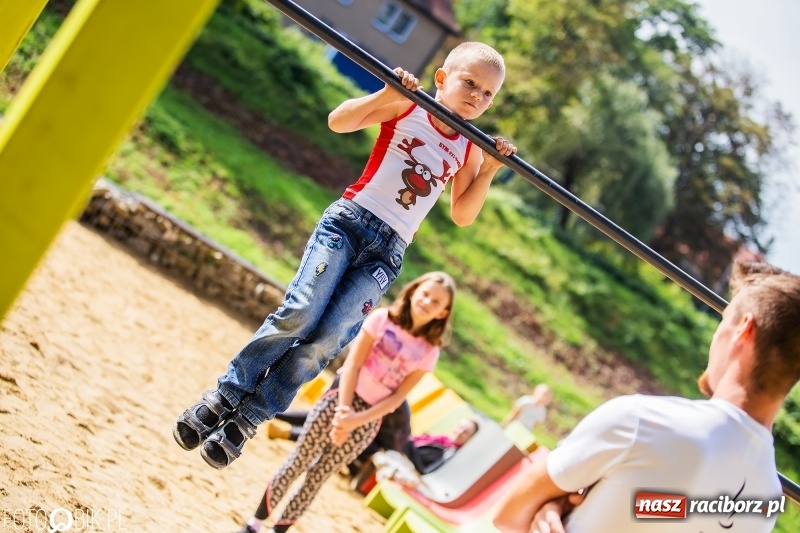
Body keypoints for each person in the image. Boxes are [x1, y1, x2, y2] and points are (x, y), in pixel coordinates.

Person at [172, 41, 516, 469]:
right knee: (300, 312)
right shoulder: (410, 106)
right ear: (442, 79)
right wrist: (387, 94)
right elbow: (339, 121)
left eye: (488, 94)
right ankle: (225, 396)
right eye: (470, 83)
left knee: (327, 339)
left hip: (388, 253)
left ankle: (249, 417)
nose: (477, 97)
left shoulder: (469, 146)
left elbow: (463, 214)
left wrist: (487, 171)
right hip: (350, 223)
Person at [493, 261, 800, 533]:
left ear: (743, 330)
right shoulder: (767, 502)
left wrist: (556, 505)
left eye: (725, 319)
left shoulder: (641, 420)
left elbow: (507, 516)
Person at [233, 271, 456, 533]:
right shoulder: (382, 319)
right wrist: (343, 413)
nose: (427, 301)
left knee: (317, 478)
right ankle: (254, 525)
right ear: (414, 291)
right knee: (298, 461)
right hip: (339, 400)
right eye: (426, 293)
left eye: (436, 302)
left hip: (367, 422)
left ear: (442, 313)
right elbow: (352, 366)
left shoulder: (429, 352)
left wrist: (354, 422)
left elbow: (397, 399)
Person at [402, 417, 479, 475]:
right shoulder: (440, 439)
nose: (460, 432)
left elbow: (425, 471)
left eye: (466, 432)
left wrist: (409, 446)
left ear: (470, 439)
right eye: (460, 427)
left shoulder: (450, 453)